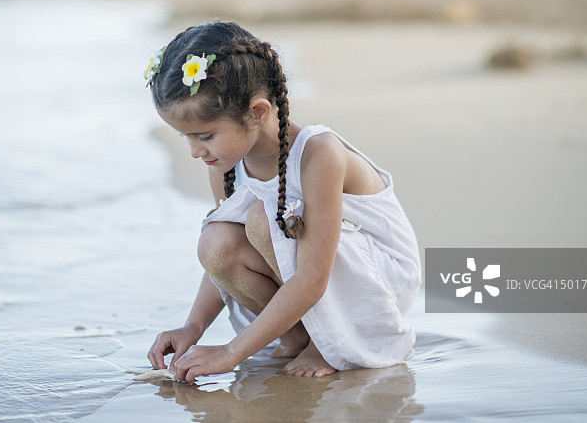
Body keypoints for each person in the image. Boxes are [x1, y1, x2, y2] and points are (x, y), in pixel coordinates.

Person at [144, 22, 421, 383]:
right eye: (186, 138)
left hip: (376, 279)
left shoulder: (319, 154)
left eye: (205, 136)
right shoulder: (226, 163)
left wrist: (232, 352)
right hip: (311, 269)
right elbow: (220, 263)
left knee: (264, 217)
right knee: (216, 241)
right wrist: (192, 327)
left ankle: (331, 340)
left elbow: (312, 277)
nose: (196, 151)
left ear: (258, 112)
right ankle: (298, 335)